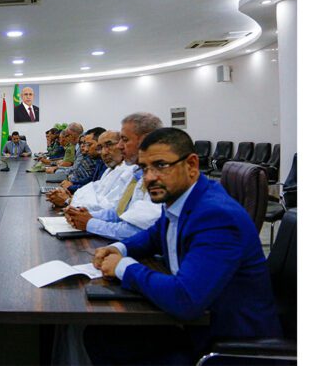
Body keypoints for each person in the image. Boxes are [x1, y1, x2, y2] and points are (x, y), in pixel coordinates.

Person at [86, 128, 281, 363]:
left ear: (191, 165)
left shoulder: (216, 216)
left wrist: (122, 267)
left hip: (227, 347)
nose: (149, 177)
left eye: (160, 165)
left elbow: (185, 300)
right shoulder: (182, 199)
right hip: (197, 326)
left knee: (104, 339)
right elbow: (154, 236)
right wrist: (120, 248)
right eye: (145, 168)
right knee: (101, 333)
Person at [63, 112, 163, 240]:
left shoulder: (159, 178)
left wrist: (89, 222)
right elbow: (119, 211)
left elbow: (137, 231)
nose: (120, 146)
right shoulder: (138, 173)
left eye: (125, 140)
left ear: (146, 140)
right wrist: (85, 216)